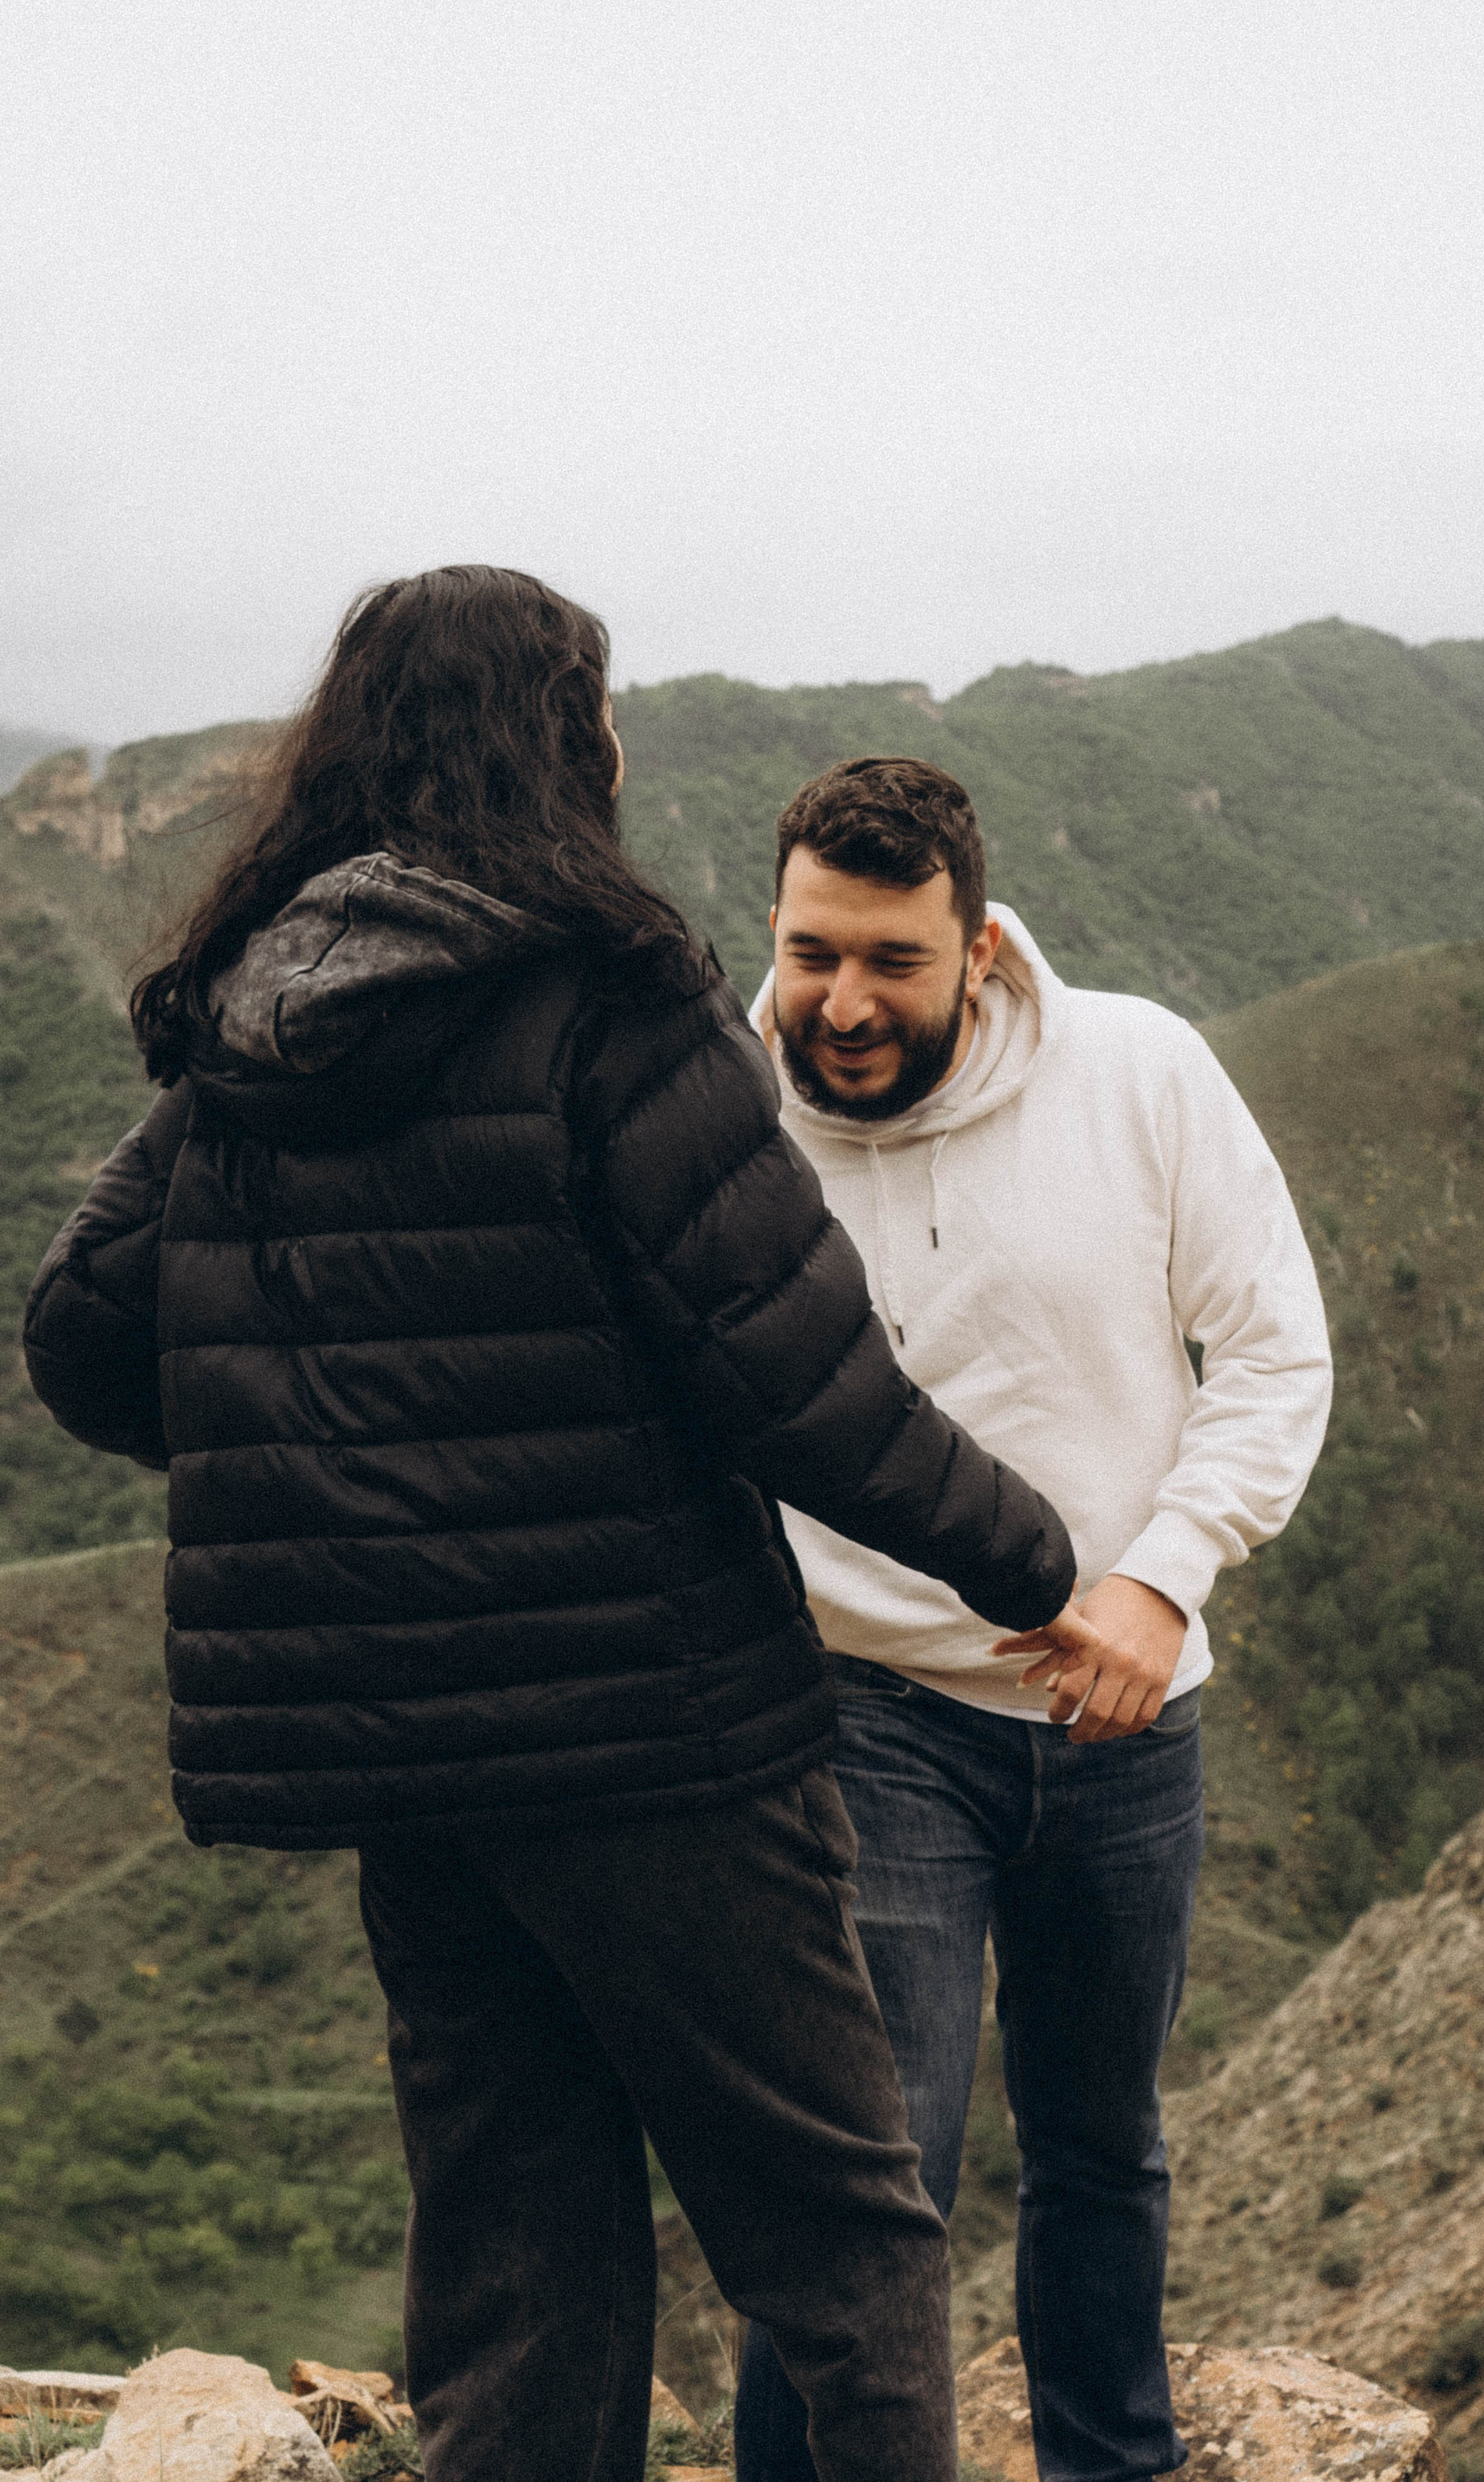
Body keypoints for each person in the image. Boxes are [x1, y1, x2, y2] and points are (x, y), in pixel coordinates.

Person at [23, 575, 1099, 2482]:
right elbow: (801, 1382)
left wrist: (338, 1446)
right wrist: (1036, 1563)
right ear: (565, 743)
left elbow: (90, 1345)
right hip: (660, 1736)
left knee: (519, 2258)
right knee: (840, 2235)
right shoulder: (611, 997)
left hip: (408, 1755)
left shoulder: (258, 1021)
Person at [735, 758, 1333, 2482]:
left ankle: (1108, 2462)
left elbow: (1275, 1347)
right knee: (875, 2164)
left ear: (980, 948)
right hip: (865, 1708)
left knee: (1102, 2145)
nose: (841, 1003)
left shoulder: (1139, 1072)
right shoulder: (728, 1122)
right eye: (809, 953)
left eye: (891, 964)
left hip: (1131, 1715)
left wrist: (1161, 1578)